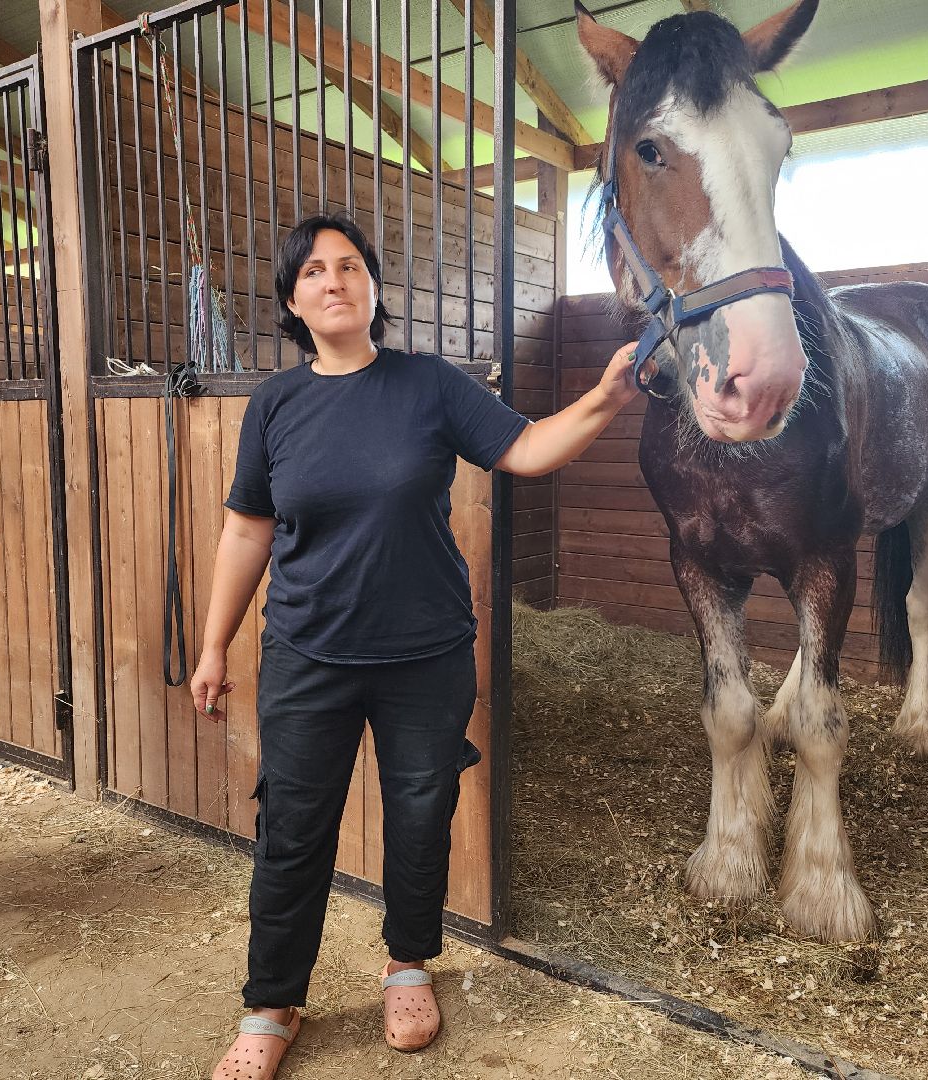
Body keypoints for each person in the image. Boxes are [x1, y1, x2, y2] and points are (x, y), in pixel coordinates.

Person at [192, 211, 638, 1080]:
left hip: (424, 655)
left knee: (420, 817)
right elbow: (247, 532)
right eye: (315, 271)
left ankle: (408, 966)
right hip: (307, 655)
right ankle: (270, 1003)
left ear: (373, 287)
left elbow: (527, 447)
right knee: (291, 830)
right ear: (292, 298)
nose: (334, 280)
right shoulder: (276, 404)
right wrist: (214, 646)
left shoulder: (429, 385)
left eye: (350, 265)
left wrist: (604, 400)